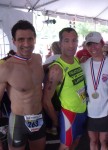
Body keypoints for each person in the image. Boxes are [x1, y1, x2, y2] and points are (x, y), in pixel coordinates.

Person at [0, 20, 46, 150]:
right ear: (14, 41)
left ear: (35, 40)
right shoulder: (6, 68)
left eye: (30, 39)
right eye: (21, 39)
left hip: (39, 116)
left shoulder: (38, 58)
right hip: (18, 122)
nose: (26, 44)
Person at [42, 27, 87, 150]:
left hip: (82, 111)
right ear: (60, 43)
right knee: (65, 147)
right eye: (67, 41)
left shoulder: (76, 60)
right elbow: (46, 100)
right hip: (69, 114)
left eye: (74, 40)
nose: (71, 45)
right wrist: (56, 121)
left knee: (76, 141)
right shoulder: (57, 69)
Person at [81, 31, 108, 150]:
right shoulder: (84, 65)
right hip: (90, 111)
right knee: (93, 141)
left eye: (95, 43)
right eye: (89, 44)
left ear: (102, 44)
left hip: (106, 110)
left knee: (104, 141)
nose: (92, 47)